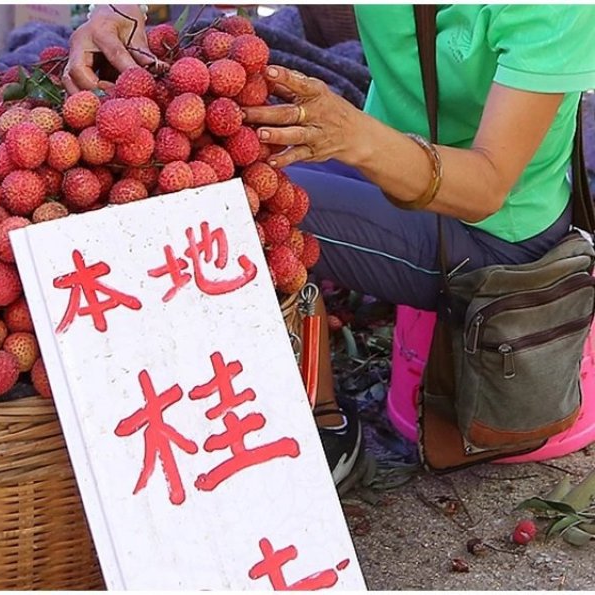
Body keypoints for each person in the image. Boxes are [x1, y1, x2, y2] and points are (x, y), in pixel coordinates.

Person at [64, 4, 595, 490]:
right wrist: (120, 12)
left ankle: (326, 427)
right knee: (225, 155)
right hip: (387, 157)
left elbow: (486, 186)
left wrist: (350, 134)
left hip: (496, 240)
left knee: (232, 201)